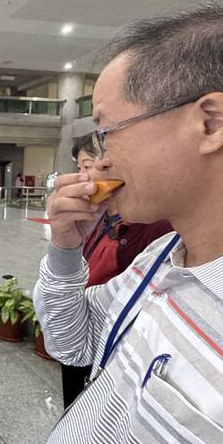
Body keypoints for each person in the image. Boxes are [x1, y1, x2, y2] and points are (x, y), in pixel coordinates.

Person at [34, 2, 223, 444]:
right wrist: (65, 251)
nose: (99, 161)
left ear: (211, 123)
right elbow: (72, 343)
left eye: (107, 132)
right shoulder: (162, 256)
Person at [60, 133, 172, 408]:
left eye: (88, 165)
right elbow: (65, 335)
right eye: (81, 167)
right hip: (85, 319)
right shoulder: (98, 218)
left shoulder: (153, 229)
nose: (87, 175)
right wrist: (63, 247)